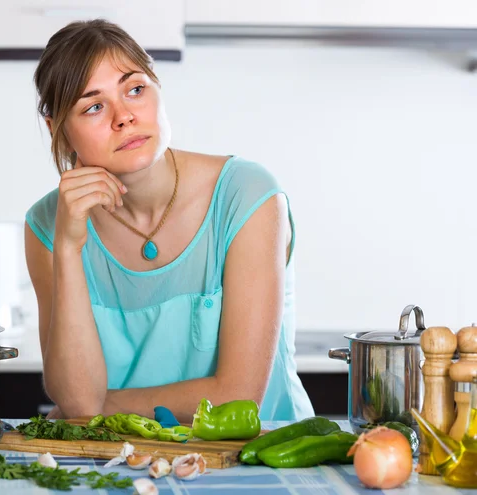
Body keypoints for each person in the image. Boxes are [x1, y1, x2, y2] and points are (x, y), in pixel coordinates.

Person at [24, 19, 314, 422]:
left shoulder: (248, 195)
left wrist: (97, 407)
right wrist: (69, 249)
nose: (123, 117)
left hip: (262, 462)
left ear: (158, 87)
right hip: (127, 464)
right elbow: (75, 395)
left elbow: (238, 397)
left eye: (135, 89)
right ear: (59, 130)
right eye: (93, 106)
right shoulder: (46, 225)